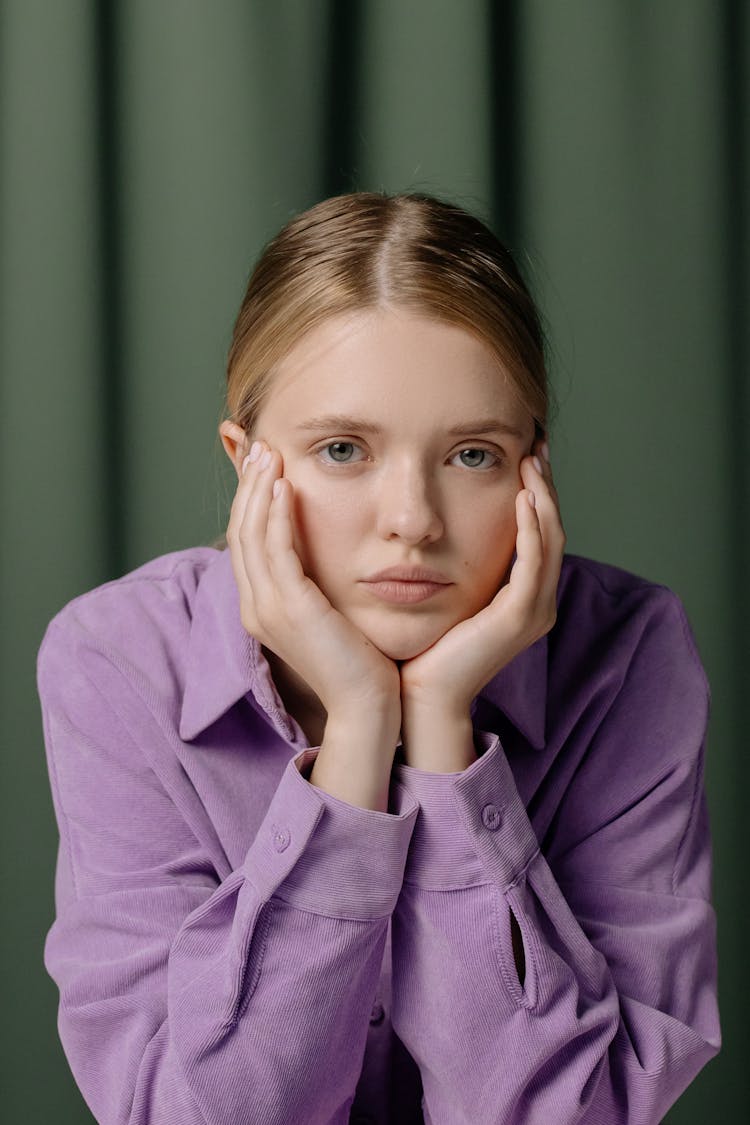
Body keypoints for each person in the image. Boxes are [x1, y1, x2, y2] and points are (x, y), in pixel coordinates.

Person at [37, 192, 721, 1125]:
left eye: (473, 454)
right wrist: (359, 734)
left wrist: (440, 734)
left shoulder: (632, 652)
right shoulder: (115, 658)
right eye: (344, 449)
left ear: (536, 473)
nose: (413, 520)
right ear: (249, 465)